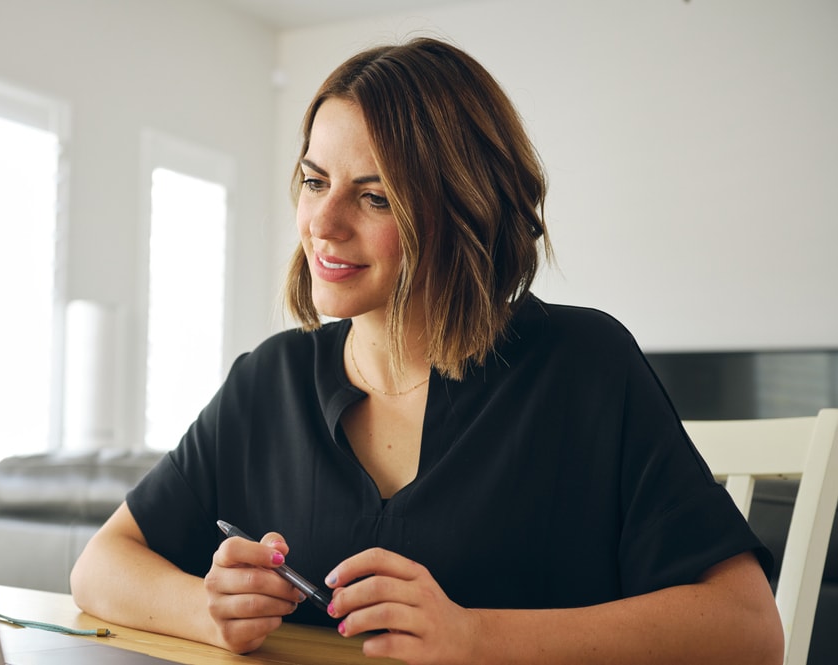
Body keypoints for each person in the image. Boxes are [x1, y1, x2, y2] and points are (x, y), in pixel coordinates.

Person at [71, 37, 783, 665]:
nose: (322, 221)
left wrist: (474, 638)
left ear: (460, 208)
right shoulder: (269, 380)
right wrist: (211, 610)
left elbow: (748, 631)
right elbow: (98, 567)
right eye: (315, 181)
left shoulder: (583, 364)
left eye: (374, 197)